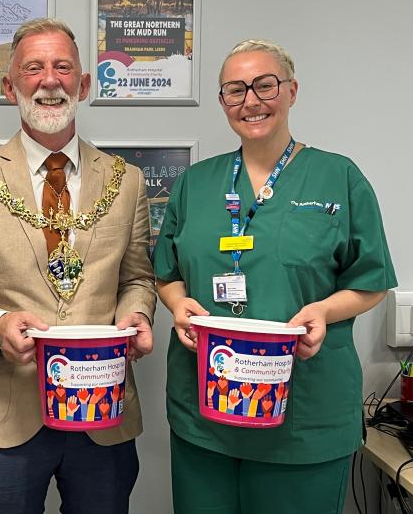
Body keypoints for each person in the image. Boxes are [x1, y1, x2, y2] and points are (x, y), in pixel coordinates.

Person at [153, 39, 396, 514]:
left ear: (291, 91)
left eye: (265, 85)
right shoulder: (195, 183)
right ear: (223, 102)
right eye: (235, 90)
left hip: (304, 414)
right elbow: (167, 273)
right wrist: (177, 304)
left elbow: (371, 280)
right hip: (208, 410)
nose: (251, 101)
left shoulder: (339, 178)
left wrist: (325, 310)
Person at [0, 17, 156, 514]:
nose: (49, 80)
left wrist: (137, 315)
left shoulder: (129, 181)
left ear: (83, 84)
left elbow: (138, 278)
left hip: (103, 410)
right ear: (10, 87)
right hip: (6, 411)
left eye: (62, 68)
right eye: (33, 69)